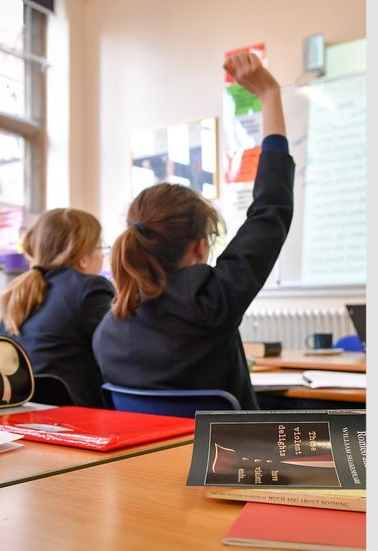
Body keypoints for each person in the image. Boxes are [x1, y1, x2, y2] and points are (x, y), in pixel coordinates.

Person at [92, 52, 293, 410]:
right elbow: (270, 209)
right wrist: (269, 96)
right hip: (231, 464)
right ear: (199, 247)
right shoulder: (212, 302)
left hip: (143, 466)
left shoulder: (107, 331)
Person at [0, 209, 113, 407]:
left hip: (24, 410)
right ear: (84, 258)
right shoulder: (91, 287)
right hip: (77, 414)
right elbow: (114, 354)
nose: (103, 256)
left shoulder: (18, 292)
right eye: (101, 249)